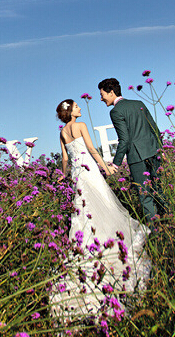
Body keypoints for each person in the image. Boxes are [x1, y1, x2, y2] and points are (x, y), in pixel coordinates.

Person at [50, 99, 151, 321]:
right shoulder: (81, 126)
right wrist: (105, 167)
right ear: (71, 112)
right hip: (89, 170)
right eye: (76, 106)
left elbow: (65, 158)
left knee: (82, 209)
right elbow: (92, 149)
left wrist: (63, 174)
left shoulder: (62, 132)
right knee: (104, 203)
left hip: (77, 173)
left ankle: (86, 246)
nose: (79, 108)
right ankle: (110, 240)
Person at [98, 78, 166, 223]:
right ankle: (168, 220)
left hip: (137, 157)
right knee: (159, 189)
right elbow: (154, 128)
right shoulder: (138, 103)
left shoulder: (116, 111)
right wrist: (161, 149)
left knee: (145, 196)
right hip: (154, 151)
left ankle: (155, 230)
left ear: (111, 92)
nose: (101, 98)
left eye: (102, 94)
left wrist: (115, 164)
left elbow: (125, 139)